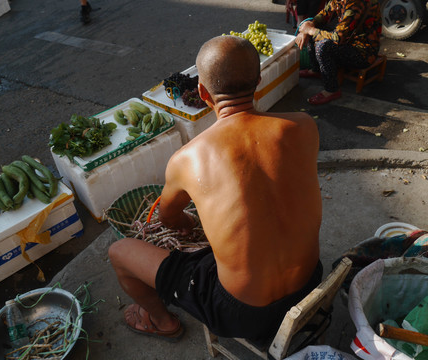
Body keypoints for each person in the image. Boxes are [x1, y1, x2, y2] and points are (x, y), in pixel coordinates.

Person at [108, 35, 323, 345]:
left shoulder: (187, 159)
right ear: (259, 80)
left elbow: (169, 219)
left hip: (242, 314)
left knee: (119, 253)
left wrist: (191, 221)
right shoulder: (304, 127)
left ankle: (161, 321)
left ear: (202, 92)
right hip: (310, 286)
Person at [295, 0, 382, 105]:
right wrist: (310, 24)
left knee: (323, 46)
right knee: (316, 30)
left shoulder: (355, 4)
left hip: (363, 52)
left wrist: (310, 30)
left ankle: (331, 90)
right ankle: (316, 70)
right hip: (348, 40)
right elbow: (325, 13)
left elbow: (338, 38)